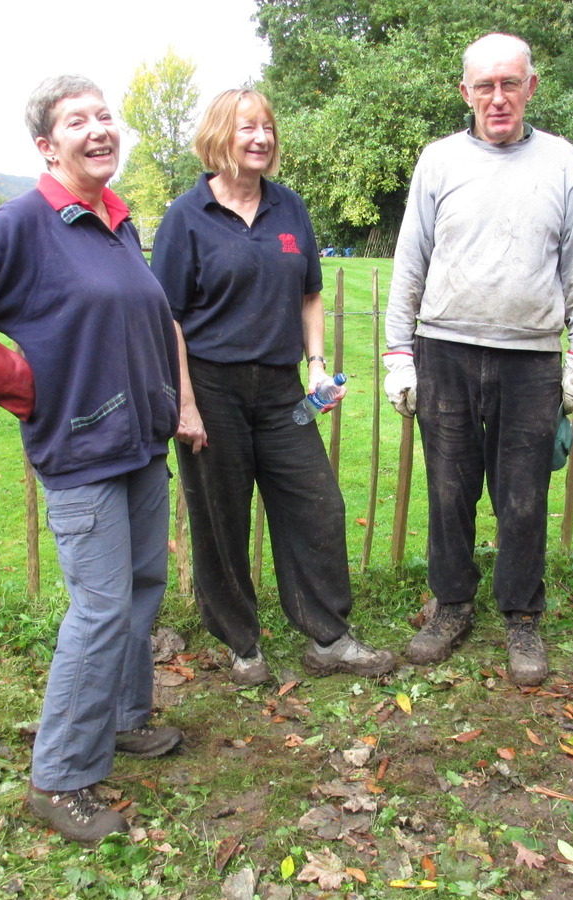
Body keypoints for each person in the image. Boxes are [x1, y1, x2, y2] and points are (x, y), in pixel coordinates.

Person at [0, 75, 182, 844]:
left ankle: (122, 718)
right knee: (97, 610)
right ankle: (59, 778)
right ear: (46, 146)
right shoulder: (25, 224)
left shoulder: (116, 221)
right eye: (75, 121)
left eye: (104, 116)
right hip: (81, 448)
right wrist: (23, 384)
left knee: (140, 589)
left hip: (137, 444)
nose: (98, 129)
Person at [150, 89, 395, 686]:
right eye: (246, 128)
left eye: (267, 128)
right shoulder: (187, 217)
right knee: (221, 520)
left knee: (317, 505)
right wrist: (184, 403)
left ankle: (329, 638)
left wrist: (315, 365)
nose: (261, 138)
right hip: (211, 388)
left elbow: (310, 292)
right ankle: (243, 646)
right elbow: (170, 319)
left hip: (283, 391)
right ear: (219, 136)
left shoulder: (289, 209)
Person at [384, 33, 573, 686]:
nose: (499, 97)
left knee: (524, 497)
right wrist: (400, 355)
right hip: (445, 350)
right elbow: (410, 261)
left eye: (511, 83)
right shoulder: (439, 161)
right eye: (486, 85)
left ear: (531, 86)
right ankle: (451, 607)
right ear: (466, 93)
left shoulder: (560, 161)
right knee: (449, 492)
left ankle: (521, 616)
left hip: (531, 359)